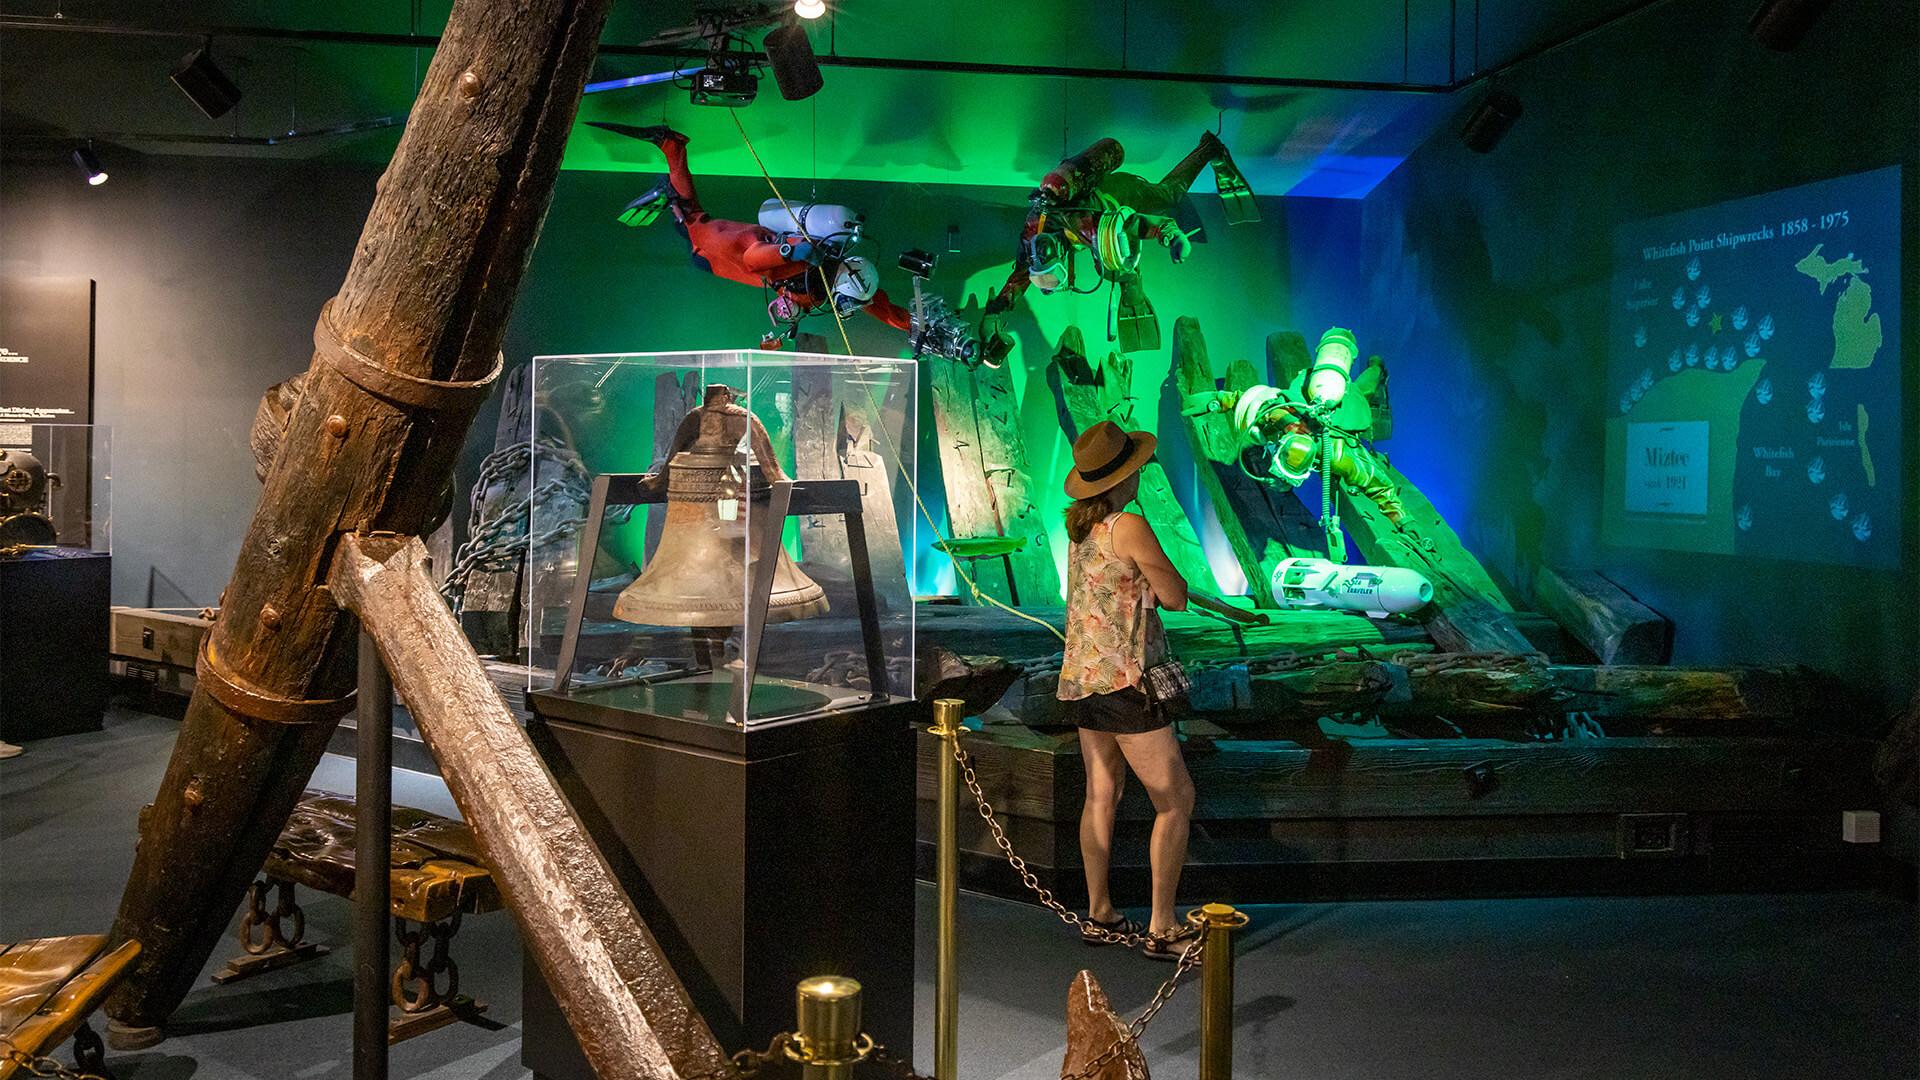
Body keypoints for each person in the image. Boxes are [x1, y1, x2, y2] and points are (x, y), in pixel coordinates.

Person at [1056, 420, 1196, 960]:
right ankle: (1163, 927)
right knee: (1175, 799)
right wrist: (1162, 587)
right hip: (1126, 685)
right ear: (1125, 475)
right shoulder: (1129, 526)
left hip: (1085, 682)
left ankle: (1100, 912)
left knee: (1101, 793)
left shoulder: (1077, 528)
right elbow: (1176, 595)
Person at [594, 123, 913, 342]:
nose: (844, 308)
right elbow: (753, 258)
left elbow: (879, 307)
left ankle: (672, 162)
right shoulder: (811, 271)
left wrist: (913, 326)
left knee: (692, 226)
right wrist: (791, 252)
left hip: (734, 261)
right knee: (693, 229)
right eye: (846, 303)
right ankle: (670, 165)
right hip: (732, 247)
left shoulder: (844, 283)